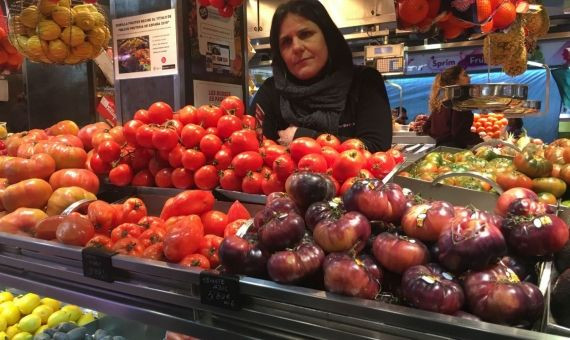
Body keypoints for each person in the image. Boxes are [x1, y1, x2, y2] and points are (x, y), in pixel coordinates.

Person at [249, 0, 392, 152]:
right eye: (286, 42)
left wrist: (304, 138)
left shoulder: (365, 82)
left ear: (328, 37)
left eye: (305, 34)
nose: (296, 47)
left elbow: (377, 147)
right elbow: (252, 150)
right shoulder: (271, 91)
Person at [423, 65, 483, 148]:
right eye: (465, 75)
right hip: (455, 152)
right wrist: (481, 140)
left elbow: (426, 127)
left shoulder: (442, 102)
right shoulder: (459, 102)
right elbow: (459, 134)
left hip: (440, 149)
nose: (469, 77)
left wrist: (441, 138)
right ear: (455, 81)